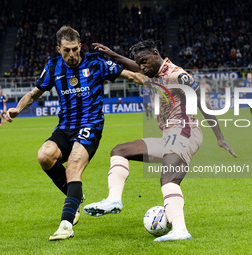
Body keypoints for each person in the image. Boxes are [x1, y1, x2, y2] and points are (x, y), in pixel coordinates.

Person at [84, 40, 237, 241]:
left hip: (185, 132)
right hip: (169, 136)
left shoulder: (177, 75)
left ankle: (180, 230)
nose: (142, 67)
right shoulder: (154, 72)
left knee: (168, 179)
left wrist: (220, 137)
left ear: (156, 54)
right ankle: (114, 200)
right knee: (119, 151)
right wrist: (113, 54)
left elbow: (202, 101)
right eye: (140, 63)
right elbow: (134, 66)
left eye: (145, 61)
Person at [4, 26, 145, 241]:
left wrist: (158, 83)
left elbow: (131, 75)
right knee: (44, 156)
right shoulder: (53, 67)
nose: (71, 55)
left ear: (80, 46)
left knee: (72, 168)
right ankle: (75, 196)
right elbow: (34, 94)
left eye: (74, 49)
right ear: (58, 49)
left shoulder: (96, 63)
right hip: (64, 127)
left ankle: (66, 225)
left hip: (90, 125)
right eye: (66, 50)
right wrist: (17, 108)